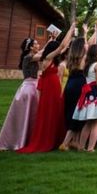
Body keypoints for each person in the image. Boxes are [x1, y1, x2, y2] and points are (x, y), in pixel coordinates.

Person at [18, 24, 75, 153]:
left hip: (54, 86)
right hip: (50, 88)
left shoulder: (49, 58)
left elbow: (63, 47)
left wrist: (68, 38)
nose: (59, 52)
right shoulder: (47, 58)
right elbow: (61, 47)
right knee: (50, 112)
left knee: (56, 112)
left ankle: (56, 139)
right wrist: (70, 29)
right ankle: (48, 139)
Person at [0, 38, 43, 150]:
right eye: (36, 44)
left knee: (29, 115)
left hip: (31, 87)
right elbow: (44, 54)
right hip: (29, 89)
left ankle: (27, 138)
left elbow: (43, 53)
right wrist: (54, 45)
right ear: (31, 47)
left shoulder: (31, 56)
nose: (38, 45)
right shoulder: (29, 57)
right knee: (28, 115)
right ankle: (21, 140)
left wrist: (51, 41)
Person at [73, 43, 97, 151]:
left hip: (88, 94)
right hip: (95, 93)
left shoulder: (88, 65)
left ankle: (81, 146)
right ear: (96, 52)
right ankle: (90, 147)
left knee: (89, 122)